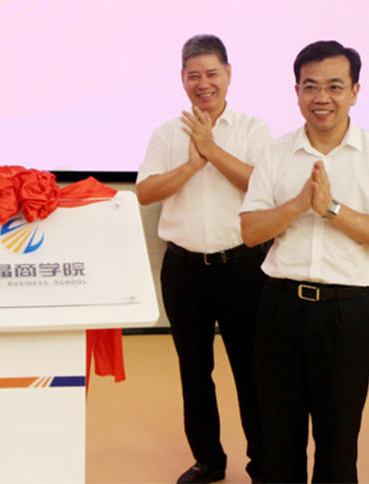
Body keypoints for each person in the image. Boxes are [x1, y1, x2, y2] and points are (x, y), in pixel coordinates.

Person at [136, 34, 270, 483]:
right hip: (184, 269)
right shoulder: (166, 134)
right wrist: (192, 165)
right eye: (194, 75)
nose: (203, 83)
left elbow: (262, 185)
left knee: (252, 370)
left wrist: (212, 151)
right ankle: (208, 460)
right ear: (182, 79)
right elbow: (145, 192)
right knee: (194, 371)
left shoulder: (253, 129)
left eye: (212, 73)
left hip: (243, 267)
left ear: (228, 74)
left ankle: (263, 462)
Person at [240, 40, 369, 483]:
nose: (321, 97)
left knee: (338, 440)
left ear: (355, 91)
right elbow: (251, 231)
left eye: (334, 86)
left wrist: (330, 208)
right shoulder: (275, 153)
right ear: (296, 92)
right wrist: (298, 205)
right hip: (281, 309)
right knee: (278, 438)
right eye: (310, 86)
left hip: (347, 313)